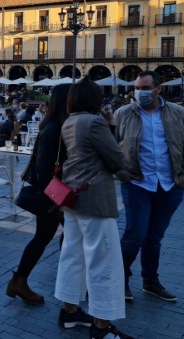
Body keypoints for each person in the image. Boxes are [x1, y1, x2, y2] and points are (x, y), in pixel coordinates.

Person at [55, 77, 137, 339]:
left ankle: (69, 311)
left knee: (72, 256)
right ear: (95, 100)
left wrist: (109, 124)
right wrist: (129, 173)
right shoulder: (94, 122)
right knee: (104, 261)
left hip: (73, 199)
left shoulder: (70, 122)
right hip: (95, 201)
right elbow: (115, 158)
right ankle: (101, 326)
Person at [113, 70, 184, 303]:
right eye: (137, 88)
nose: (140, 93)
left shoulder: (177, 113)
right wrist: (122, 174)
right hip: (137, 184)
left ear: (158, 89)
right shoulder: (123, 114)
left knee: (154, 238)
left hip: (171, 185)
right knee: (134, 235)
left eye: (145, 88)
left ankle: (150, 282)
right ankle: (120, 281)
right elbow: (110, 147)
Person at [6, 84, 71, 305]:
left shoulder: (57, 125)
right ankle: (70, 282)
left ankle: (20, 281)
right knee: (65, 236)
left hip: (52, 195)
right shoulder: (53, 128)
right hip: (52, 195)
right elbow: (44, 169)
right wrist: (54, 200)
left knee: (45, 238)